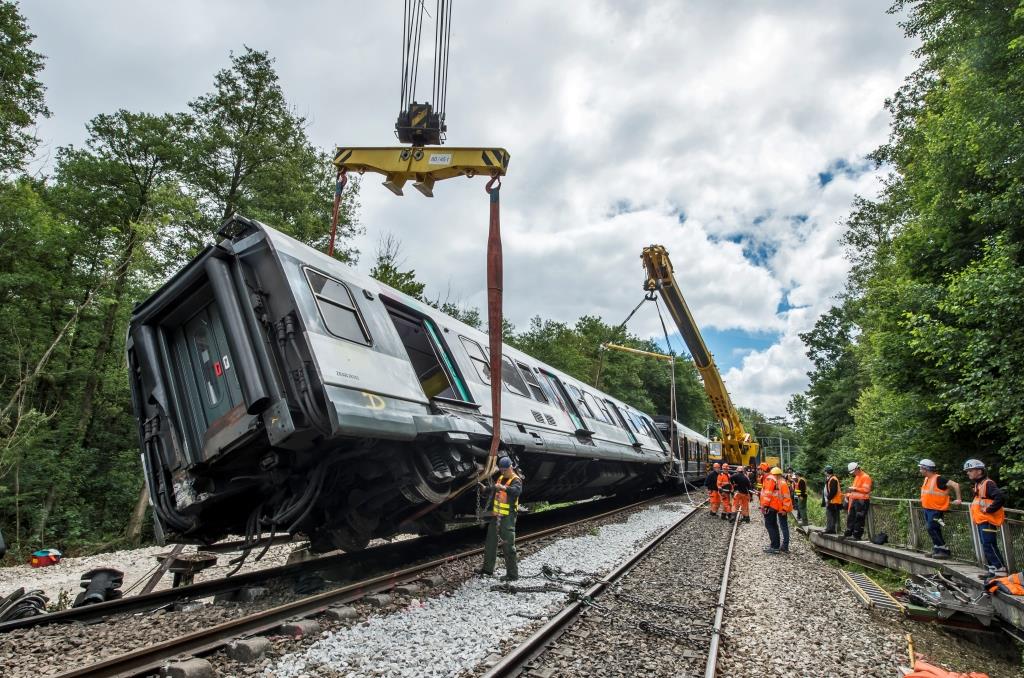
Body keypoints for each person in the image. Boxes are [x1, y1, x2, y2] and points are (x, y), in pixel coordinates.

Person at [478, 456, 523, 581]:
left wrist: (504, 488)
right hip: (496, 517)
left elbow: (516, 491)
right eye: (501, 470)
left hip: (508, 518)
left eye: (504, 470)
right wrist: (486, 489)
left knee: (509, 546)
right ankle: (487, 569)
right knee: (490, 542)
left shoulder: (516, 480)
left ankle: (512, 574)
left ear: (510, 467)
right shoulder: (501, 478)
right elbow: (495, 488)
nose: (502, 472)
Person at [964, 459, 1007, 576]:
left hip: (988, 519)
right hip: (982, 519)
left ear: (979, 471)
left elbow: (1000, 498)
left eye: (970, 470)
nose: (968, 473)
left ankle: (1000, 568)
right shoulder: (979, 484)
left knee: (989, 543)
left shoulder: (988, 483)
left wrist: (988, 510)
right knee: (985, 544)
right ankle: (993, 568)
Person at [918, 458, 962, 560]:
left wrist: (958, 499)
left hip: (936, 510)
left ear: (926, 469)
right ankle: (937, 548)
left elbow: (955, 485)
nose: (920, 470)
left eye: (921, 468)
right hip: (928, 509)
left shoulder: (939, 479)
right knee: (932, 529)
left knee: (932, 528)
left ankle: (944, 550)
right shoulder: (927, 479)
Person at [760, 466, 792, 553]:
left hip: (781, 509)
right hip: (778, 508)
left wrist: (784, 510)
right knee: (776, 525)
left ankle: (780, 546)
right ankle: (778, 546)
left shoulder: (781, 483)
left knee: (780, 526)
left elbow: (786, 498)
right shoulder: (778, 483)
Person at [843, 462, 872, 541]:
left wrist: (855, 489)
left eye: (853, 472)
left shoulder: (866, 477)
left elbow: (866, 490)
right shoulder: (857, 477)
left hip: (862, 501)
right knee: (851, 516)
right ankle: (849, 532)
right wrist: (849, 495)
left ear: (857, 469)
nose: (853, 474)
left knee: (859, 518)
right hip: (855, 500)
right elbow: (854, 489)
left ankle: (857, 535)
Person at [821, 465, 842, 535]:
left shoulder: (833, 479)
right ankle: (831, 529)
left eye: (825, 471)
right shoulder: (831, 478)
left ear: (827, 472)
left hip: (834, 500)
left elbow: (833, 491)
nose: (824, 473)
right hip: (833, 500)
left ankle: (830, 529)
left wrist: (828, 499)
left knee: (830, 515)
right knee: (831, 515)